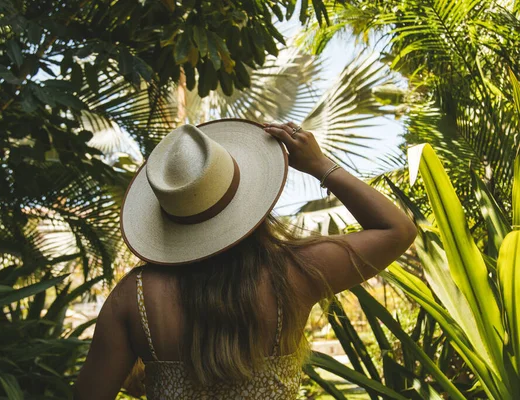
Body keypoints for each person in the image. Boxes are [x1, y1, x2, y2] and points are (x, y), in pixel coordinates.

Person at [74, 119, 416, 399]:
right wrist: (319, 165)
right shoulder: (295, 273)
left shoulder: (134, 298)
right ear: (248, 197)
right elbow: (397, 229)